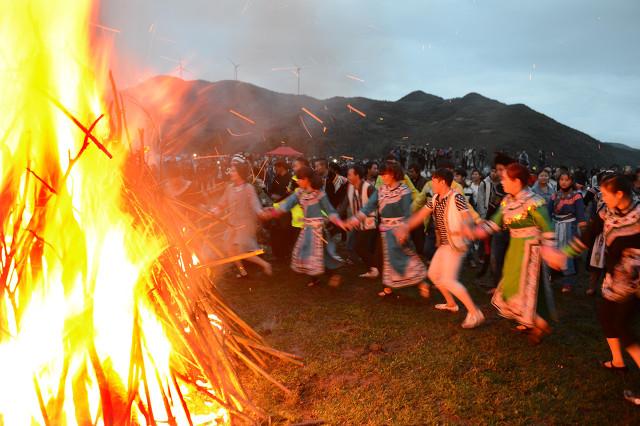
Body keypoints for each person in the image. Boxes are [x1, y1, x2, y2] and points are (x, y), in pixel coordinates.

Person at [556, 174, 640, 404]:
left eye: (605, 193)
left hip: (635, 283)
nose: (602, 197)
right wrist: (563, 254)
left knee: (623, 327)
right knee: (605, 317)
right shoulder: (607, 212)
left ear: (619, 194)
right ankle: (618, 361)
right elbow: (588, 236)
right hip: (614, 279)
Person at [466, 163, 559, 343]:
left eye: (505, 179)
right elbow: (493, 224)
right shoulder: (508, 201)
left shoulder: (534, 201)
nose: (502, 182)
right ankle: (531, 321)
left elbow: (548, 228)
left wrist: (550, 251)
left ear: (516, 181)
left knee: (529, 290)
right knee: (511, 287)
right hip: (515, 250)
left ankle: (538, 323)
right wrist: (472, 232)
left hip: (531, 252)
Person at [397, 168, 485, 329]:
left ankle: (475, 313)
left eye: (434, 181)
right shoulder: (436, 198)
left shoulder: (457, 197)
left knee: (447, 280)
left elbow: (466, 217)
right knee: (433, 274)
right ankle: (451, 304)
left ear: (442, 182)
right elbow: (421, 214)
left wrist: (467, 228)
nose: (432, 184)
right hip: (445, 245)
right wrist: (405, 227)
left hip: (456, 244)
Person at [347, 162, 429, 297]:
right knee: (383, 260)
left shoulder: (404, 191)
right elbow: (369, 206)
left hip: (398, 231)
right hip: (384, 231)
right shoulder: (381, 190)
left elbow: (406, 213)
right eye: (382, 174)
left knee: (402, 259)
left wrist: (403, 230)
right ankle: (388, 287)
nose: (383, 177)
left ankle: (421, 282)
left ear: (394, 174)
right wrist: (356, 219)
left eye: (385, 174)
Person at [263, 166, 345, 287]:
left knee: (323, 254)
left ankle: (334, 274)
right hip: (307, 229)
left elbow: (330, 210)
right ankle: (314, 278)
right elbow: (286, 205)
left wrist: (339, 222)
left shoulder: (319, 194)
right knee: (306, 252)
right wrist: (272, 213)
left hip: (317, 230)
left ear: (307, 179)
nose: (298, 182)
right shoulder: (300, 193)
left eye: (300, 179)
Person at [211, 158, 272, 278]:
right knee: (229, 248)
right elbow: (222, 203)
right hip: (232, 224)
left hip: (245, 224)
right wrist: (214, 211)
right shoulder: (230, 188)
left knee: (241, 251)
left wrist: (261, 213)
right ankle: (242, 271)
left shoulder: (248, 188)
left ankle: (265, 265)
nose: (231, 173)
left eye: (233, 171)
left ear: (240, 173)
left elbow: (255, 205)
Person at [549, 172, 586, 293]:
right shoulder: (554, 195)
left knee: (567, 253)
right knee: (553, 251)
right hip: (555, 225)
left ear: (571, 182)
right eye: (561, 179)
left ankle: (568, 282)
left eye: (567, 180)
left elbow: (580, 213)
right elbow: (549, 212)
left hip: (569, 226)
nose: (564, 182)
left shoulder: (577, 196)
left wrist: (581, 227)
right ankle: (552, 276)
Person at [340, 165, 379, 278]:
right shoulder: (350, 188)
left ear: (357, 175)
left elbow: (376, 204)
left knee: (359, 247)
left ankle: (374, 268)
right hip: (357, 224)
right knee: (353, 246)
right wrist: (334, 216)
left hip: (369, 224)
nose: (347, 177)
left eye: (349, 175)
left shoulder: (369, 188)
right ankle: (373, 266)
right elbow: (344, 204)